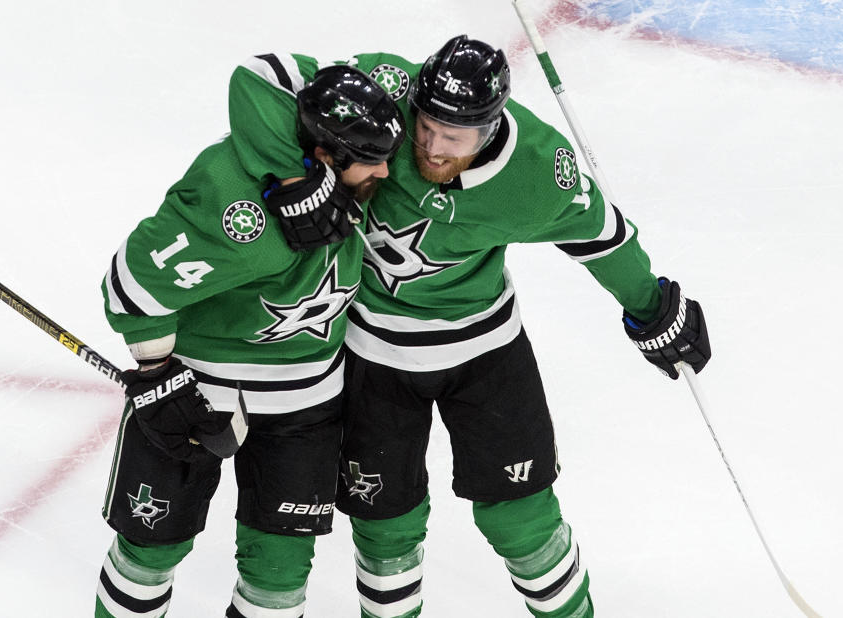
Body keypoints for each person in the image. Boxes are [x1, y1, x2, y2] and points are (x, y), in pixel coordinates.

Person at [228, 36, 711, 618]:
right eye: (425, 127)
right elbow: (261, 74)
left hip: (487, 355)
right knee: (385, 528)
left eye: (451, 138)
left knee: (522, 520)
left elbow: (603, 238)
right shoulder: (390, 85)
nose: (429, 147)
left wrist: (652, 306)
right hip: (373, 355)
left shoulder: (539, 171)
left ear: (489, 127)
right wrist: (292, 177)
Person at [94, 63, 405, 618]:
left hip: (306, 405)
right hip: (199, 391)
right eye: (370, 158)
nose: (387, 168)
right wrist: (157, 372)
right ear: (328, 157)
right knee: (148, 553)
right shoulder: (245, 219)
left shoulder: (342, 155)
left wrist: (296, 177)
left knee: (279, 577)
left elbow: (271, 72)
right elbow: (132, 285)